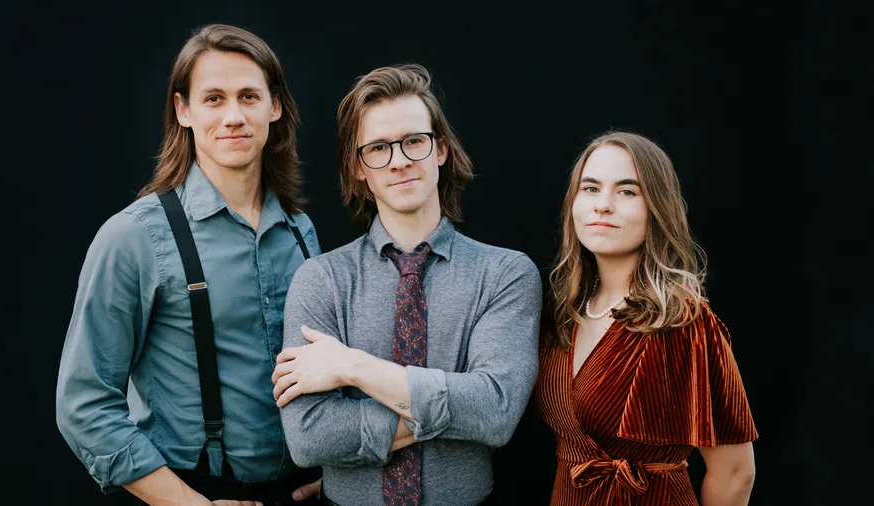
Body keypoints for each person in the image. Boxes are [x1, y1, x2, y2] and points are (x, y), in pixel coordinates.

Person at [56, 24, 324, 505]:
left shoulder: (300, 232)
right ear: (184, 110)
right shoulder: (134, 237)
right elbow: (83, 404)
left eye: (248, 96)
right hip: (197, 492)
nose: (234, 116)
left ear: (275, 106)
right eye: (214, 99)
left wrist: (337, 473)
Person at [269, 63, 542, 506]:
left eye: (414, 141)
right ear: (358, 167)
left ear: (441, 150)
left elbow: (495, 412)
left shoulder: (505, 274)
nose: (399, 161)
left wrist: (352, 367)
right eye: (378, 148)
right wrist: (452, 411)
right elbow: (308, 437)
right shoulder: (321, 280)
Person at [535, 131, 758, 505]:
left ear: (657, 208)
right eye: (591, 188)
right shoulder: (560, 310)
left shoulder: (684, 321)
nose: (603, 205)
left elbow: (735, 473)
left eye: (627, 191)